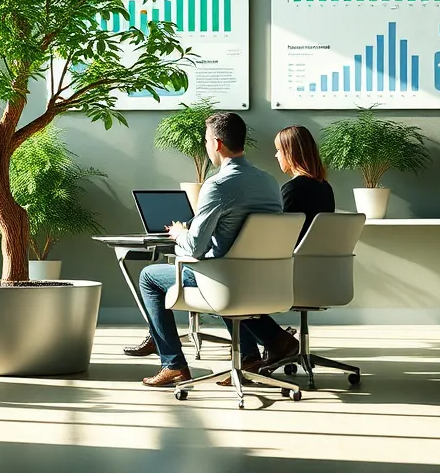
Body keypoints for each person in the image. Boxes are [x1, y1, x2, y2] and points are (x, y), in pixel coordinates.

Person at [132, 112, 295, 388]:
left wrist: (180, 233)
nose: (206, 146)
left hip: (226, 280)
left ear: (217, 144)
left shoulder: (218, 185)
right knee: (226, 267)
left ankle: (173, 364)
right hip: (265, 279)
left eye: (206, 140)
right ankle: (264, 346)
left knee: (149, 276)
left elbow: (196, 246)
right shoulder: (269, 182)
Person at [242, 124, 337, 355]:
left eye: (278, 150)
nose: (275, 155)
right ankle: (272, 343)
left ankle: (267, 346)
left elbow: (280, 237)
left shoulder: (293, 190)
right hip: (319, 275)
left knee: (235, 285)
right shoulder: (325, 188)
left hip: (291, 274)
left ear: (291, 152)